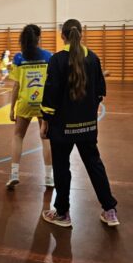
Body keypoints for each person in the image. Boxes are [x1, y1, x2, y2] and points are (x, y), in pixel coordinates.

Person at [40, 19, 119, 228]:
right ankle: (110, 210)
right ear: (81, 34)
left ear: (62, 36)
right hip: (88, 126)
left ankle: (62, 214)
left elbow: (50, 95)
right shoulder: (93, 58)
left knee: (61, 167)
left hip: (62, 128)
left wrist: (45, 121)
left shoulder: (57, 60)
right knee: (94, 164)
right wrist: (88, 113)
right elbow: (100, 92)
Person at [7, 25, 53, 189]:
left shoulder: (19, 58)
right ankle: (49, 178)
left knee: (18, 136)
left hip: (25, 102)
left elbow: (16, 86)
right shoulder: (49, 56)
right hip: (43, 102)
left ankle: (14, 174)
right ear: (38, 38)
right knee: (46, 138)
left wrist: (12, 108)